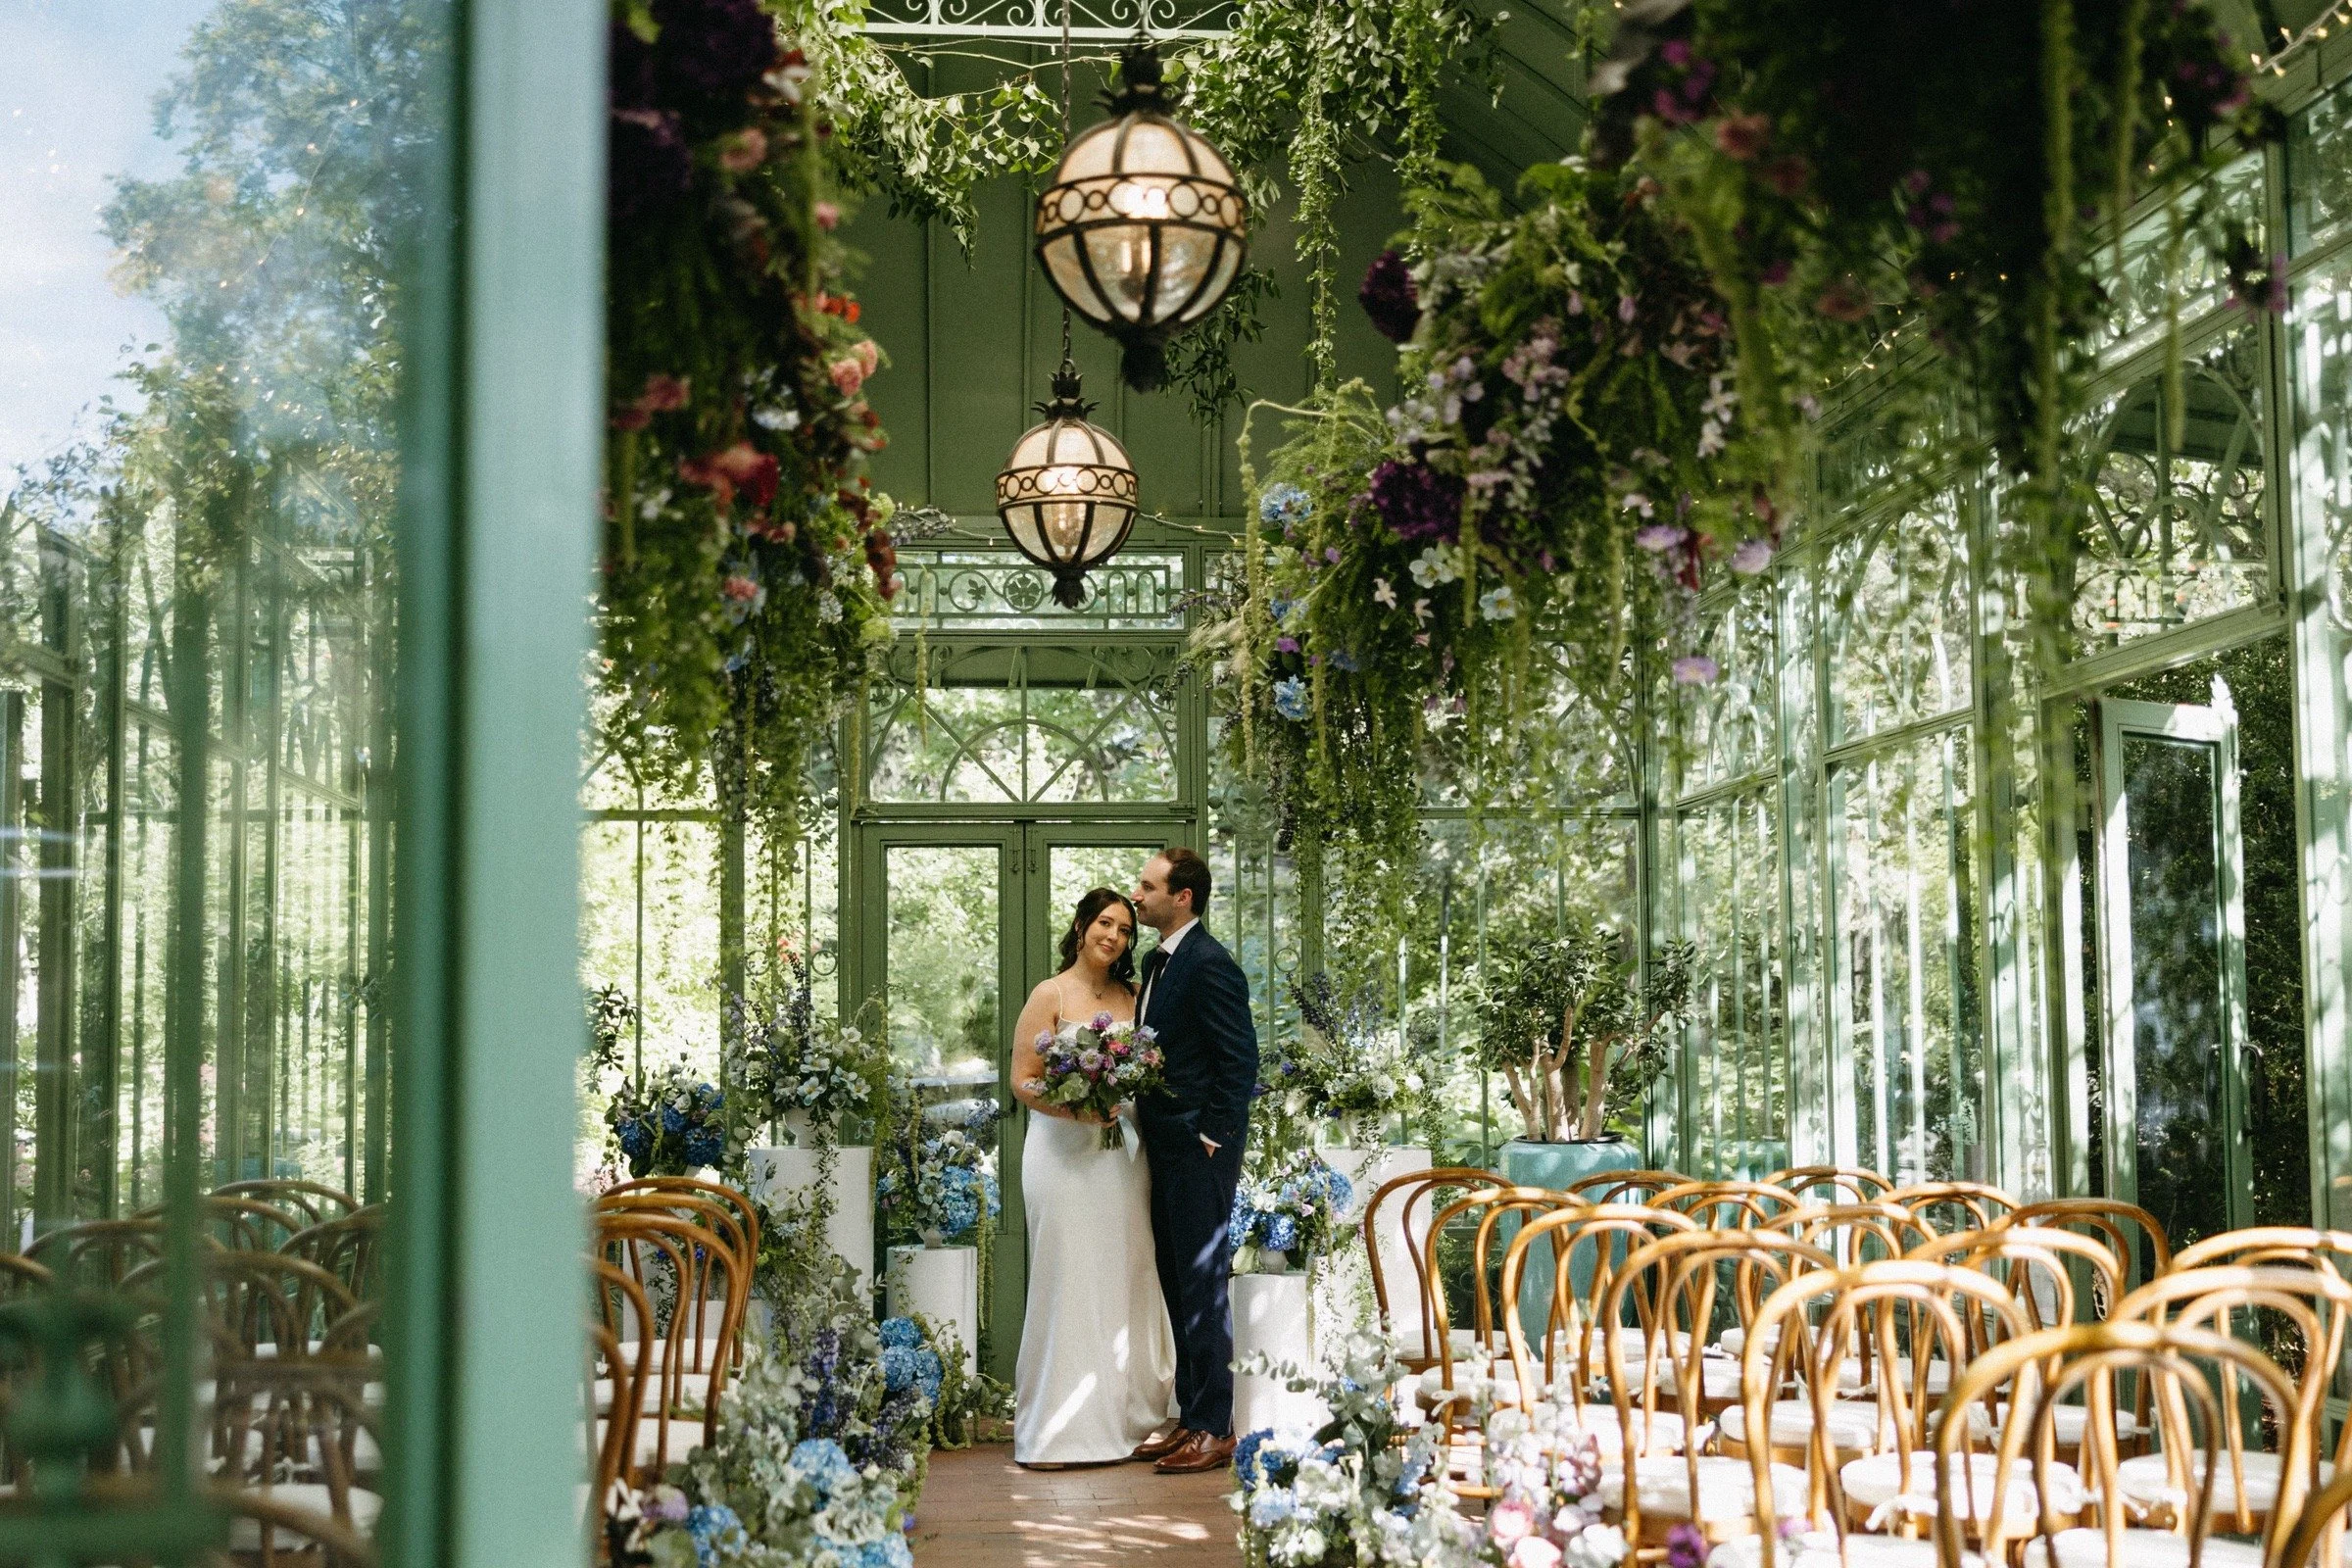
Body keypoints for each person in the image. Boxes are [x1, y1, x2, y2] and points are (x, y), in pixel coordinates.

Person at [1006, 887, 1175, 1468]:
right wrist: (1076, 1107)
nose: (1114, 936)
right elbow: (1023, 1080)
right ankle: (1057, 1430)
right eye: (1105, 923)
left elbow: (1151, 1066)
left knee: (1125, 1274)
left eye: (1125, 930)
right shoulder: (1048, 993)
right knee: (1068, 1277)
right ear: (1081, 927)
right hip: (1061, 1156)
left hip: (1123, 1157)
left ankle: (1127, 1419)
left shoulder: (1136, 996)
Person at [1126, 846, 1258, 1474]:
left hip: (1199, 1152)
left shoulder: (1209, 964)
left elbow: (1240, 1062)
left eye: (1147, 886)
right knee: (1179, 1283)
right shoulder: (1158, 964)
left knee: (1203, 1287)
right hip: (1165, 1148)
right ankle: (1192, 1416)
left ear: (1182, 897)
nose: (1136, 895)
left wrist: (1212, 1135)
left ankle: (1216, 1428)